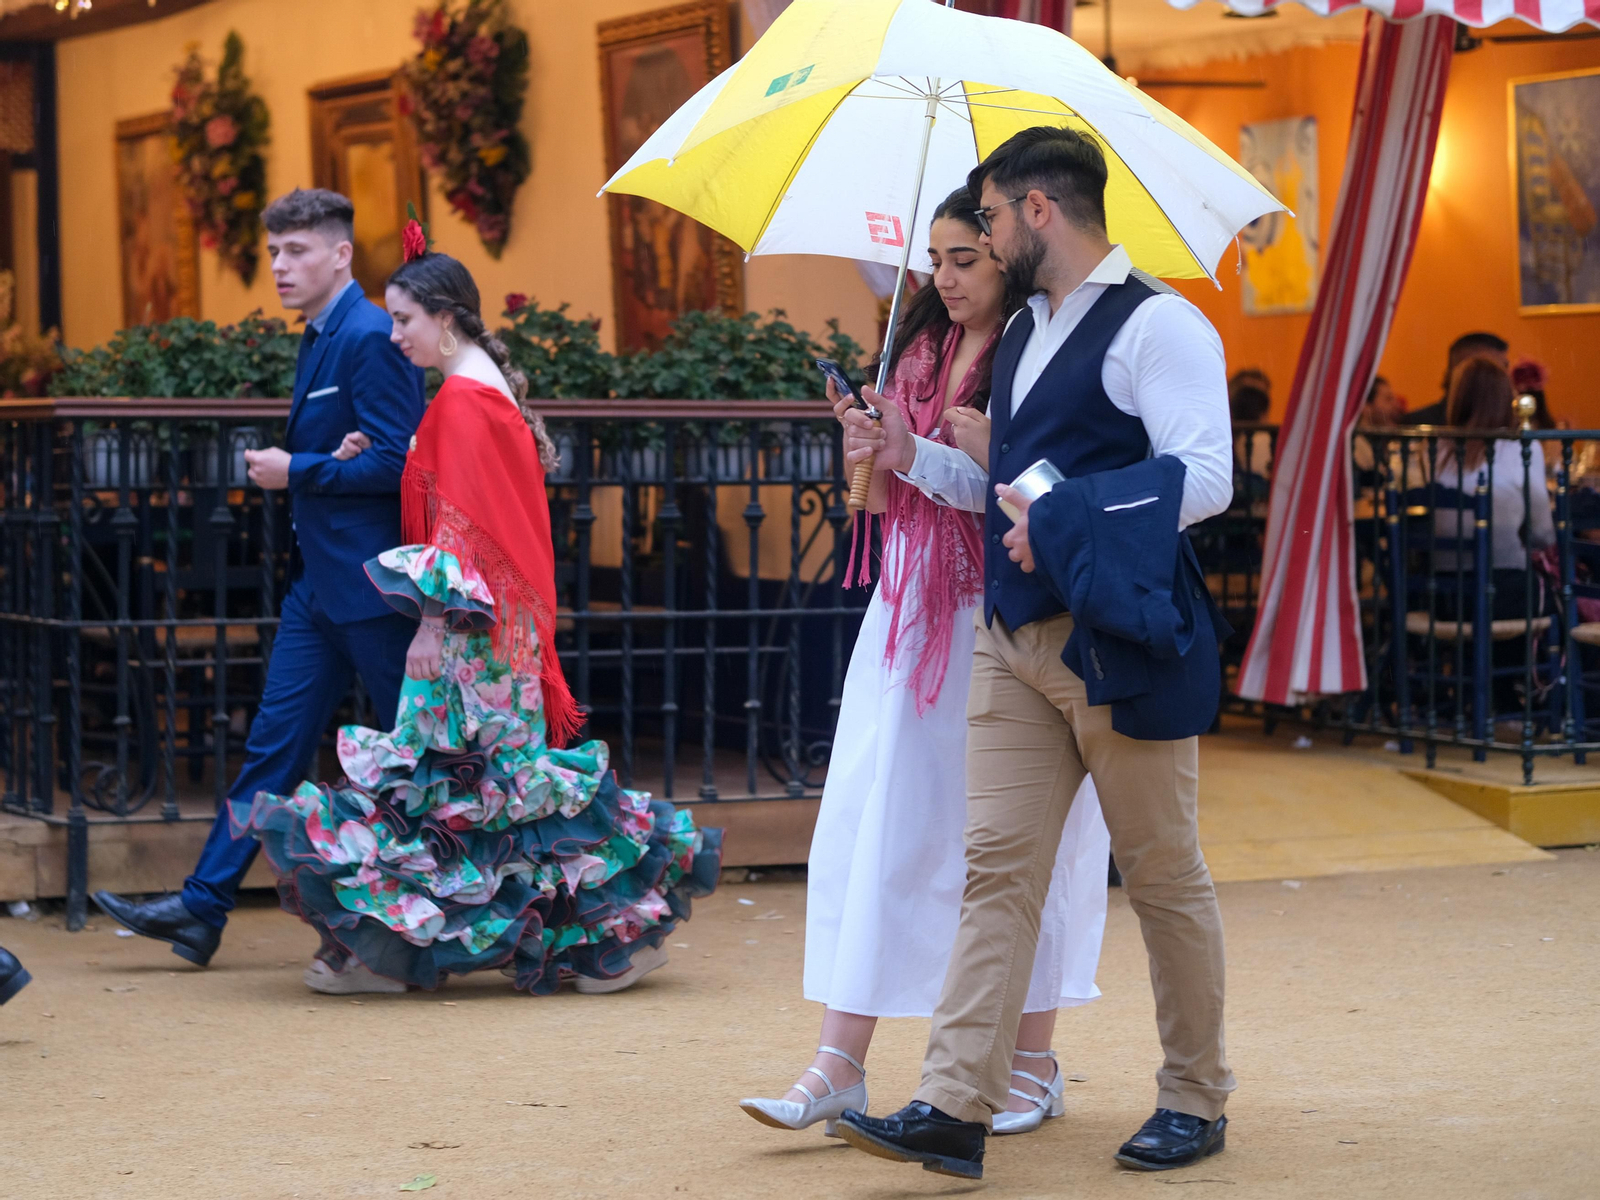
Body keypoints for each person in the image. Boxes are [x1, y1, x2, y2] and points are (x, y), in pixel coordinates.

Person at [833, 126, 1236, 1179]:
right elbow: (993, 489)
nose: (986, 238)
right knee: (995, 874)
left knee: (1160, 873)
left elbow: (1205, 478)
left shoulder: (1161, 325)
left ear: (1038, 212)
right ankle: (954, 1105)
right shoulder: (1026, 333)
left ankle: (1195, 1098)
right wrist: (908, 450)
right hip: (1010, 639)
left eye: (995, 219)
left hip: (1119, 641)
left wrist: (1056, 513)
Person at [230, 234, 721, 995]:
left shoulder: (461, 398)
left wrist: (430, 621)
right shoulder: (476, 387)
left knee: (458, 790)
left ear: (445, 319)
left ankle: (397, 952)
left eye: (402, 320)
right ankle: (594, 941)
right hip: (496, 629)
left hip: (469, 633)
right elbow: (469, 510)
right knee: (490, 793)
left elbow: (459, 530)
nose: (393, 336)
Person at [738, 190, 1110, 1139]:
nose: (943, 278)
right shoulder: (913, 353)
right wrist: (869, 448)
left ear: (1009, 257)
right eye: (935, 259)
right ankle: (839, 1062)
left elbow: (1026, 496)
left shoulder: (1039, 355)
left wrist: (918, 454)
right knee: (878, 823)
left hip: (1005, 616)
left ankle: (1034, 1060)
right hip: (907, 621)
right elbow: (873, 507)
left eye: (966, 259)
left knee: (1018, 845)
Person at [93, 189, 427, 966]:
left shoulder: (372, 334)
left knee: (420, 760)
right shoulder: (323, 333)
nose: (279, 265)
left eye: (297, 251)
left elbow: (401, 462)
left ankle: (475, 911)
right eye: (274, 251)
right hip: (322, 589)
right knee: (271, 748)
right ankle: (203, 908)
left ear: (341, 254)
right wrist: (311, 471)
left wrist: (295, 470)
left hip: (377, 590)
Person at [1402, 332, 1509, 426]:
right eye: (1486, 370)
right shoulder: (1416, 425)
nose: (1502, 379)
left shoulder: (1511, 424)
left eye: (1504, 368)